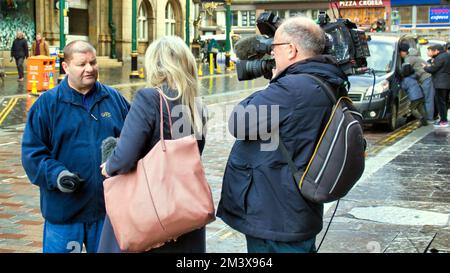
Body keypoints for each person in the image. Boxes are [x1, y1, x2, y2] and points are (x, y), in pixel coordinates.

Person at [217, 16, 348, 253]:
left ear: (291, 49)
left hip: (276, 216)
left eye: (274, 47)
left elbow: (238, 122)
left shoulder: (293, 89)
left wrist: (275, 82)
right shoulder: (324, 80)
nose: (271, 54)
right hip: (295, 210)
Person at [97, 36, 207, 253]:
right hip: (185, 207)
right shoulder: (196, 104)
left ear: (156, 65)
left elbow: (126, 156)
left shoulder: (149, 98)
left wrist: (109, 166)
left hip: (151, 209)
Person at [21, 40, 130, 253]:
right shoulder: (47, 105)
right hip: (64, 214)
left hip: (106, 212)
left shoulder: (114, 99)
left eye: (93, 62)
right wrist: (57, 176)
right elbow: (32, 154)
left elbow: (134, 141)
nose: (89, 69)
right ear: (65, 67)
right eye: (82, 64)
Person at [399, 43, 435, 122]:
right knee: (426, 100)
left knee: (428, 100)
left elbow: (404, 71)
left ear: (403, 52)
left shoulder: (409, 59)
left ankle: (429, 119)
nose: (400, 54)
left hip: (426, 78)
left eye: (400, 52)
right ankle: (427, 117)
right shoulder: (414, 57)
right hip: (426, 77)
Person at [423, 44, 450, 128]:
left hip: (440, 84)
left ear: (436, 51)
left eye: (430, 51)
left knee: (441, 102)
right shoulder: (446, 55)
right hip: (446, 83)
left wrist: (425, 67)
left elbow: (433, 69)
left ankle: (443, 121)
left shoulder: (440, 57)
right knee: (444, 102)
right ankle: (443, 119)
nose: (428, 52)